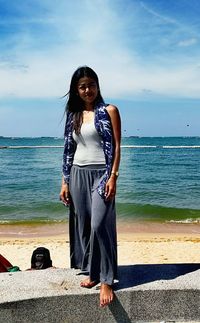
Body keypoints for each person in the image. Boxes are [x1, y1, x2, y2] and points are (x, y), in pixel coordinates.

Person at [59, 66, 121, 307]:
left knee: (99, 224)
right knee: (84, 225)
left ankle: (106, 279)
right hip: (77, 174)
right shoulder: (73, 115)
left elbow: (116, 147)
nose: (88, 90)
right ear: (76, 90)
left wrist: (113, 176)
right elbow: (68, 150)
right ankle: (92, 272)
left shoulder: (109, 111)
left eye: (91, 85)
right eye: (83, 86)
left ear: (98, 85)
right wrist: (65, 181)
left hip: (102, 174)